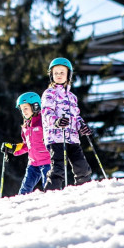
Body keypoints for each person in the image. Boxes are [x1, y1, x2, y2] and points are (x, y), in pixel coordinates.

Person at [41, 57, 93, 190]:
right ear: (51, 75)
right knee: (58, 169)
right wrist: (56, 121)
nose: (59, 75)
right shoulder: (49, 93)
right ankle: (51, 195)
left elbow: (76, 116)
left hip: (73, 138)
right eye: (56, 73)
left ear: (68, 75)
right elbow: (46, 112)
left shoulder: (72, 97)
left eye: (62, 72)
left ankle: (82, 191)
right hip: (55, 137)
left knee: (82, 168)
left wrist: (81, 126)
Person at [1, 92, 51, 194]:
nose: (24, 111)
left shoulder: (44, 121)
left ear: (35, 106)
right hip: (33, 164)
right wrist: (13, 148)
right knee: (24, 190)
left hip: (47, 162)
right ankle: (21, 207)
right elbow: (27, 145)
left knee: (50, 189)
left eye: (26, 108)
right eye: (22, 109)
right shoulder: (26, 125)